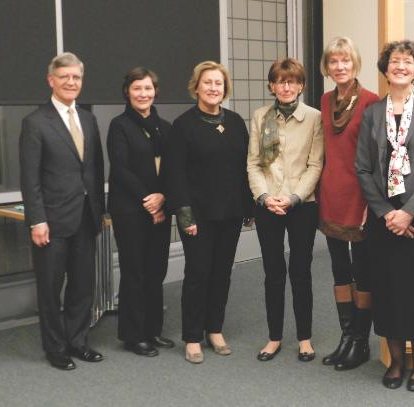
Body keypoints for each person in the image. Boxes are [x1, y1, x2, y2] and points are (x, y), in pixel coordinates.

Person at [355, 40, 414, 391]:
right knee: (388, 287)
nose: (401, 67)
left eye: (408, 62)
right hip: (383, 218)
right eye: (395, 61)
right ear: (386, 68)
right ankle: (396, 361)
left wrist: (409, 213)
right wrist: (386, 214)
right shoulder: (372, 114)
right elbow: (362, 168)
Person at [162, 61, 253, 364]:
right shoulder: (183, 126)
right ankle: (192, 336)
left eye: (219, 83)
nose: (214, 88)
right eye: (208, 83)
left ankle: (214, 328)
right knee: (198, 274)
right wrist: (185, 217)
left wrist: (248, 208)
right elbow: (175, 176)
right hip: (197, 217)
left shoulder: (237, 122)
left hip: (230, 213)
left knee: (222, 274)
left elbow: (245, 170)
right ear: (196, 87)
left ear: (225, 89)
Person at [19, 52, 105, 370]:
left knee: (83, 286)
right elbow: (30, 178)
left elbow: (95, 170)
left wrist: (100, 212)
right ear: (51, 80)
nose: (71, 82)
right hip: (51, 222)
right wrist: (37, 219)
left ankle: (78, 342)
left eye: (77, 77)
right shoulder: (35, 122)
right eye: (65, 76)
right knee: (51, 287)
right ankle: (55, 348)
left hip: (86, 218)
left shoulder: (89, 119)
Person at [247, 58, 324, 362]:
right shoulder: (260, 116)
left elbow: (315, 164)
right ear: (272, 86)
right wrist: (265, 196)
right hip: (268, 205)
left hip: (301, 204)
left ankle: (305, 338)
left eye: (292, 81)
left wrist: (293, 197)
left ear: (301, 86)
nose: (286, 86)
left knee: (301, 272)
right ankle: (274, 337)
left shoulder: (314, 118)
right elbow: (253, 163)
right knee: (273, 272)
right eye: (280, 81)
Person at [318, 36, 380, 370]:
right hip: (331, 195)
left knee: (363, 271)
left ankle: (361, 340)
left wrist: (374, 200)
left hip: (361, 198)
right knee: (339, 270)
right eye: (333, 62)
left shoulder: (371, 101)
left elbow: (377, 157)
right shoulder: (325, 100)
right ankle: (346, 335)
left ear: (355, 63)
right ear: (327, 67)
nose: (339, 67)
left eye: (345, 61)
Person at [107, 67, 173, 357]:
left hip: (161, 207)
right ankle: (133, 336)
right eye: (137, 88)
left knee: (156, 270)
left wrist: (163, 198)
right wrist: (149, 200)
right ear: (127, 92)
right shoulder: (119, 126)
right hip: (130, 209)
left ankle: (152, 330)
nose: (143, 94)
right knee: (135, 271)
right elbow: (120, 169)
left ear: (155, 91)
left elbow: (173, 169)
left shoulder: (166, 128)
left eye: (147, 88)